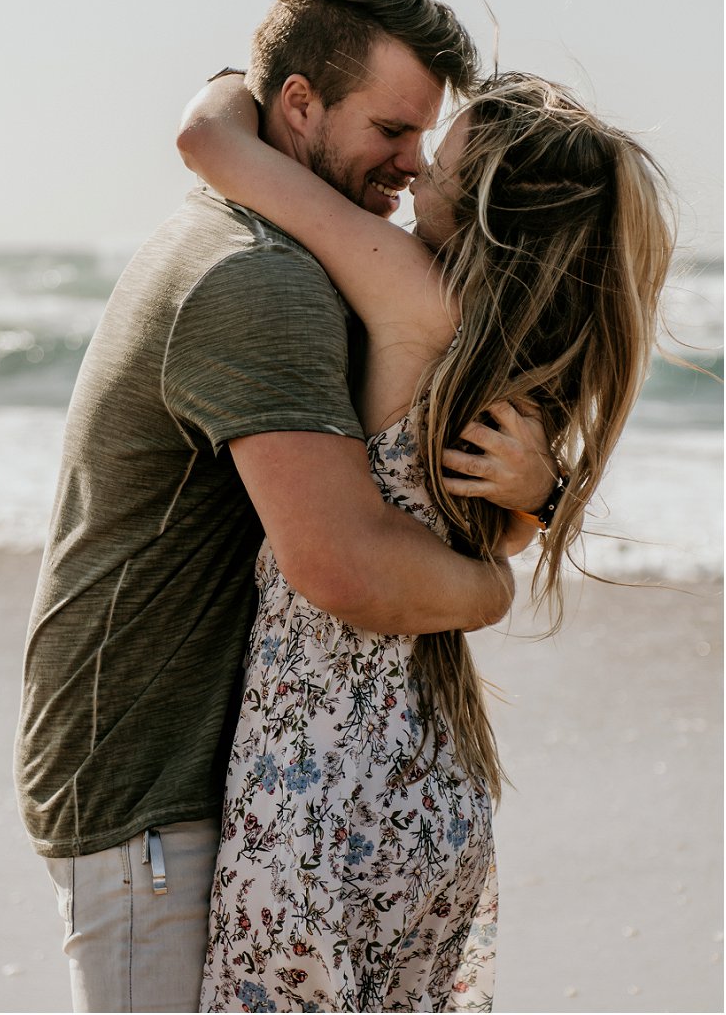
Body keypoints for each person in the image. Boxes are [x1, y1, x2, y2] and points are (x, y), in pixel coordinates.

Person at [14, 0, 555, 1014]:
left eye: (423, 137)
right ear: (299, 105)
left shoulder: (275, 238)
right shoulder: (261, 276)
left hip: (190, 766)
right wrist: (494, 592)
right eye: (390, 130)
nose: (410, 167)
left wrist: (531, 495)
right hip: (151, 784)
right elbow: (344, 566)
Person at [176, 65, 675, 1012]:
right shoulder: (516, 357)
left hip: (317, 779)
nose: (411, 174)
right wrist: (540, 500)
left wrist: (243, 76)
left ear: (484, 210)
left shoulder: (407, 288)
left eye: (438, 166)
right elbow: (499, 540)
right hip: (432, 789)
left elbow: (207, 144)